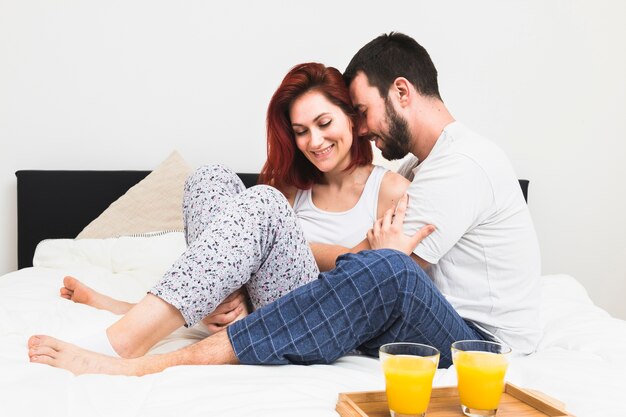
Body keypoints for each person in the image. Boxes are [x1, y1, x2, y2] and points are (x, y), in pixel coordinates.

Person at [28, 32, 542, 376]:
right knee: (215, 180)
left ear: (401, 92)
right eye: (301, 131)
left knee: (343, 245)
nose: (359, 129)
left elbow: (386, 267)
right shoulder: (417, 168)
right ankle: (158, 313)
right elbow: (365, 261)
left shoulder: (455, 166)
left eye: (352, 115)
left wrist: (291, 236)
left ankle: (139, 352)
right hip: (323, 303)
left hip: (477, 343)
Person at [27, 62, 417, 361]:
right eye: (300, 131)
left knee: (263, 204)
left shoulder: (390, 190)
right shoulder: (291, 187)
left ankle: (127, 336)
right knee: (208, 177)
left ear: (350, 116)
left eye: (324, 122)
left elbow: (386, 277)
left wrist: (325, 249)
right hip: (259, 305)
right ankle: (207, 311)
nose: (315, 141)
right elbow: (252, 252)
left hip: (319, 319)